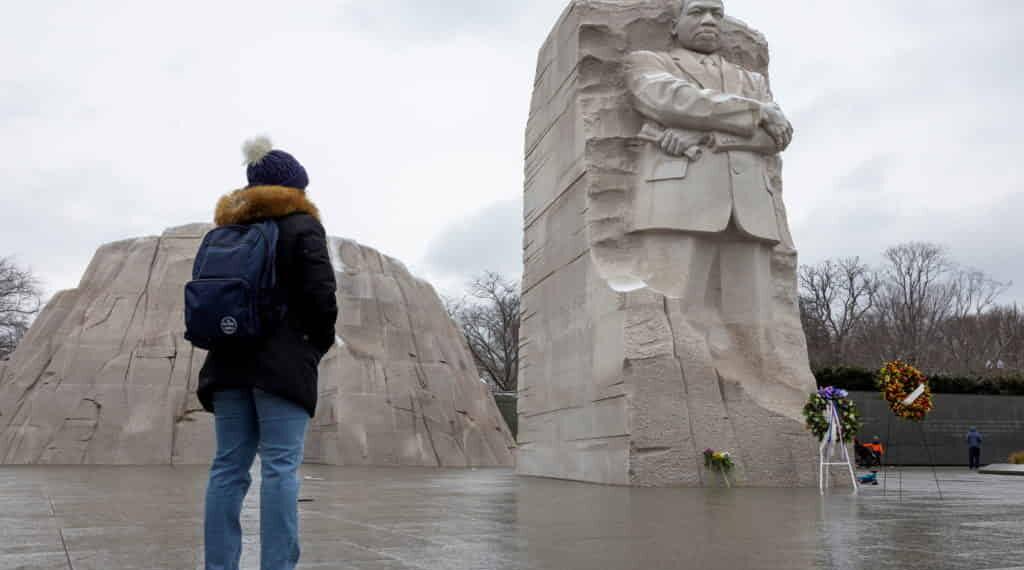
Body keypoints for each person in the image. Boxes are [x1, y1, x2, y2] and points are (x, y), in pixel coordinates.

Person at [198, 137, 338, 570]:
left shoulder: (224, 231)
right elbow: (321, 296)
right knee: (279, 469)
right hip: (281, 365)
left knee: (227, 469)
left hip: (227, 363)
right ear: (294, 188)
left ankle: (220, 566)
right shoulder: (301, 227)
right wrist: (316, 344)